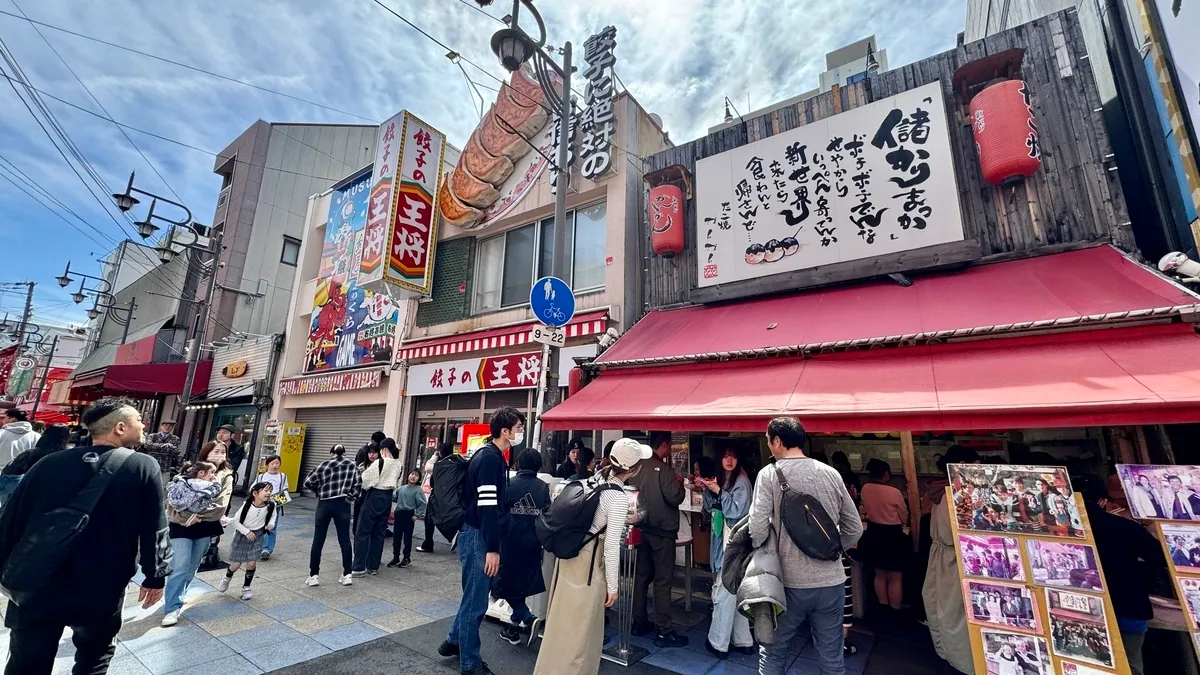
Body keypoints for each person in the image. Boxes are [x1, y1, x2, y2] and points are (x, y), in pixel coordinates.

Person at [0, 399, 168, 674]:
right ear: (120, 427)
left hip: (38, 582)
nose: (143, 424)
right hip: (101, 585)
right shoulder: (142, 466)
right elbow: (155, 527)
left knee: (26, 664)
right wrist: (155, 575)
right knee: (94, 660)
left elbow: (10, 520)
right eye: (139, 418)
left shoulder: (49, 463)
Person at [750, 417, 863, 675]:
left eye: (769, 440)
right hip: (832, 581)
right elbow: (854, 528)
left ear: (777, 441)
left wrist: (763, 552)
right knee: (832, 658)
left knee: (774, 652)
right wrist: (830, 550)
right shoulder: (831, 473)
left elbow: (756, 528)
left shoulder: (768, 475)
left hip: (787, 582)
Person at [533, 439, 640, 675]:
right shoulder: (618, 497)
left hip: (569, 557)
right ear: (633, 469)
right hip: (589, 564)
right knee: (580, 631)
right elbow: (611, 546)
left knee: (561, 623)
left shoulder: (592, 480)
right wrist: (614, 586)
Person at [438, 407, 524, 675]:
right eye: (518, 427)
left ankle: (453, 641)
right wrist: (492, 549)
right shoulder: (490, 459)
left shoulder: (491, 455)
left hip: (473, 532)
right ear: (505, 431)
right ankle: (470, 663)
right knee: (476, 602)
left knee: (472, 596)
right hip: (478, 536)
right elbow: (488, 506)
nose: (520, 431)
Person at [1074, 473, 1165, 675]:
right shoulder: (1125, 527)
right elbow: (1161, 557)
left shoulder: (1059, 530)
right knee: (1130, 666)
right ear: (1103, 501)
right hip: (1128, 609)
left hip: (1083, 613)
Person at [162, 440, 235, 626]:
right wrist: (186, 518)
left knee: (193, 565)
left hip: (205, 525)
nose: (219, 454)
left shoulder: (226, 475)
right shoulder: (191, 469)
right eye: (215, 451)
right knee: (180, 564)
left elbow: (220, 505)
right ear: (206, 453)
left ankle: (179, 594)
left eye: (223, 451)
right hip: (180, 525)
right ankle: (172, 607)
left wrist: (196, 516)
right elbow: (174, 499)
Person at [923, 445, 981, 674]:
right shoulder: (957, 495)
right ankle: (960, 662)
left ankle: (949, 655)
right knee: (956, 613)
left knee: (945, 610)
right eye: (976, 467)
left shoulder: (941, 491)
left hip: (943, 558)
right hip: (955, 559)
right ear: (961, 467)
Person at [628, 431, 688, 647]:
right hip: (662, 532)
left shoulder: (636, 467)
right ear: (663, 445)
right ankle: (663, 630)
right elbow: (675, 497)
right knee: (663, 581)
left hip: (640, 530)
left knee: (641, 577)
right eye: (669, 445)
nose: (670, 449)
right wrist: (679, 482)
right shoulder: (664, 469)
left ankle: (638, 621)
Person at [699, 446, 754, 659]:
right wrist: (706, 488)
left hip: (733, 543)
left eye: (733, 455)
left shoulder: (741, 481)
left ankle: (718, 641)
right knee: (735, 590)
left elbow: (737, 510)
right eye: (725, 455)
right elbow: (714, 505)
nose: (729, 459)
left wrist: (717, 491)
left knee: (725, 590)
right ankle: (743, 639)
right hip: (732, 542)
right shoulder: (726, 479)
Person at [494, 450, 550, 646]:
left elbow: (499, 512)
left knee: (500, 585)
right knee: (522, 584)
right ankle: (513, 628)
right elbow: (546, 514)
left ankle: (527, 617)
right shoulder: (543, 487)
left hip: (509, 541)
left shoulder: (509, 484)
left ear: (519, 463)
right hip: (533, 542)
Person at [304, 444, 361, 587]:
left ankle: (314, 575)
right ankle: (347, 574)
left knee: (318, 540)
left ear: (331, 453)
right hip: (343, 504)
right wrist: (348, 499)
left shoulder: (324, 465)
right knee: (345, 540)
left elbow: (307, 482)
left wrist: (319, 491)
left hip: (324, 504)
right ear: (344, 452)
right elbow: (358, 486)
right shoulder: (352, 465)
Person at [858, 458, 909, 613]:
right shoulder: (894, 492)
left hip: (873, 533)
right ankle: (895, 611)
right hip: (892, 535)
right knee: (895, 577)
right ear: (886, 474)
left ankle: (883, 608)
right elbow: (904, 515)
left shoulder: (865, 488)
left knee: (879, 574)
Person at [216, 481, 278, 600]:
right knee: (236, 564)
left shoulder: (271, 505)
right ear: (255, 493)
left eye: (270, 490)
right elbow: (235, 521)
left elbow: (273, 515)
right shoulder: (247, 505)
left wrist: (270, 524)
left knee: (252, 562)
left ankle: (246, 587)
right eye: (265, 490)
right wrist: (246, 532)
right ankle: (227, 577)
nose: (269, 493)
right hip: (242, 535)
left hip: (258, 535)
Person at [353, 437, 403, 576]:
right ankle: (373, 566)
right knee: (379, 533)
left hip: (374, 496)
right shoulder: (399, 464)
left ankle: (358, 566)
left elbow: (364, 481)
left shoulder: (379, 463)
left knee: (363, 532)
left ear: (384, 449)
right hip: (387, 498)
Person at [0, 423, 69, 509]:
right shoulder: (68, 456)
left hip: (27, 492)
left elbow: (9, 473)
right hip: (52, 497)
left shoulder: (32, 453)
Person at [420, 442, 454, 553]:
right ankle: (454, 536)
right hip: (450, 495)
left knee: (429, 519)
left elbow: (428, 467)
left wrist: (434, 455)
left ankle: (428, 543)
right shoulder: (454, 462)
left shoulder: (439, 464)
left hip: (437, 495)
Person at [389, 470, 426, 568]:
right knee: (396, 537)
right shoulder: (401, 489)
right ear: (408, 476)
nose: (413, 477)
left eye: (416, 475)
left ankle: (406, 557)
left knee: (407, 538)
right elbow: (393, 497)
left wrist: (417, 515)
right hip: (399, 514)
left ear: (419, 479)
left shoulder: (418, 490)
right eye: (412, 474)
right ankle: (395, 557)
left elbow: (423, 503)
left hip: (409, 515)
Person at [255, 455, 290, 560]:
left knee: (271, 526)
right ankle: (256, 547)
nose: (275, 466)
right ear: (267, 465)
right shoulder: (261, 476)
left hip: (274, 505)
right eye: (272, 463)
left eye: (277, 463)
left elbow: (285, 489)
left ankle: (267, 549)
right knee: (258, 525)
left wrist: (277, 500)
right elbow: (254, 488)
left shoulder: (282, 476)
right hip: (261, 504)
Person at [0, 408, 40, 473]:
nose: (2, 420)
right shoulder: (36, 436)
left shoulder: (1, 433)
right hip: (21, 477)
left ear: (13, 420)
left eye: (5, 418)